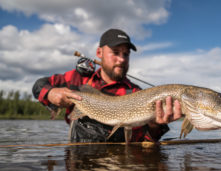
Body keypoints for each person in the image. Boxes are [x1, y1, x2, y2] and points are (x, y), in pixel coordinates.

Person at [32, 28, 182, 143]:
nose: (122, 59)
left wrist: (156, 126)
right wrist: (51, 93)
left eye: (126, 54)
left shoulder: (136, 92)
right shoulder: (78, 80)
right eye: (115, 52)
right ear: (99, 52)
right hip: (80, 166)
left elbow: (143, 142)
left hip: (121, 169)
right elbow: (39, 85)